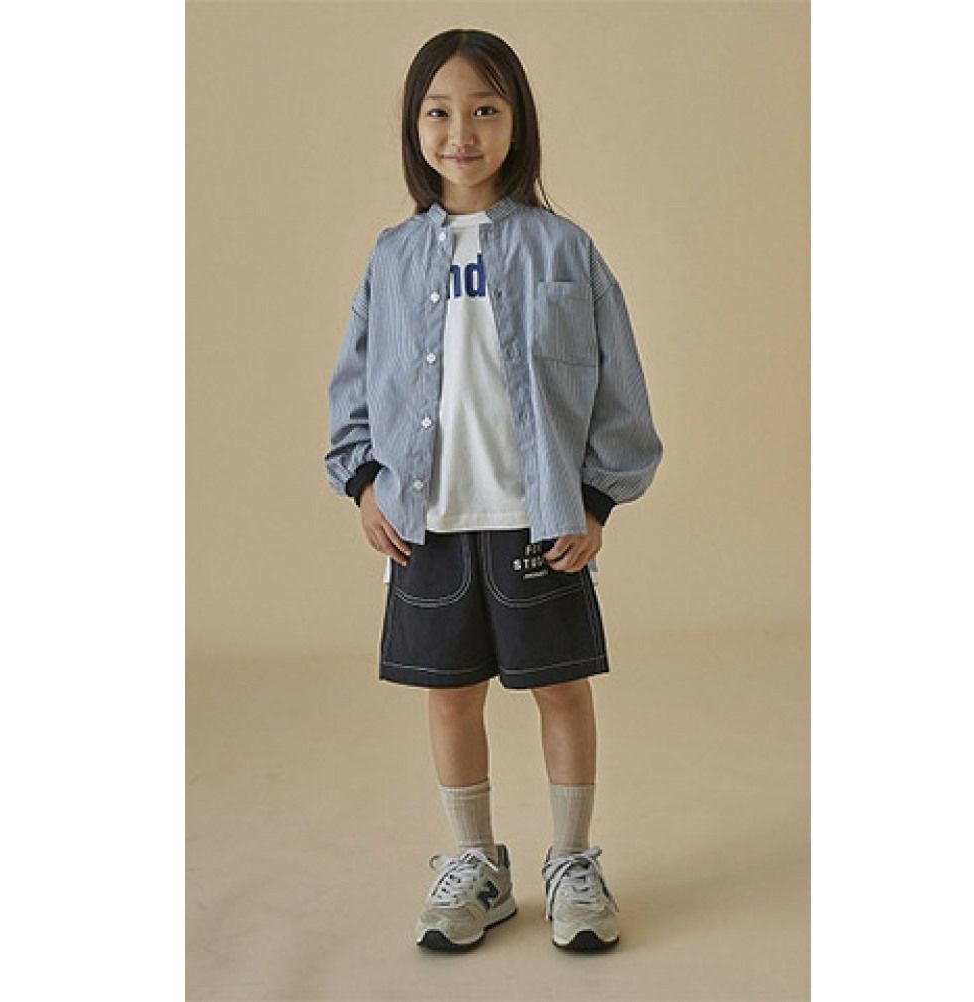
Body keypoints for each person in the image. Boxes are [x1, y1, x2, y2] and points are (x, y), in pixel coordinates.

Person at [323, 28, 664, 953]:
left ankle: (573, 860)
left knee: (560, 688)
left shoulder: (565, 249)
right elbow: (355, 384)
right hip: (427, 522)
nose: (461, 132)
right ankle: (474, 862)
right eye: (439, 112)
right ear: (414, 125)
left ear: (517, 122)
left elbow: (618, 384)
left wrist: (596, 498)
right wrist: (363, 482)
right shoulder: (392, 256)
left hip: (538, 518)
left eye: (484, 109)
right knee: (449, 696)